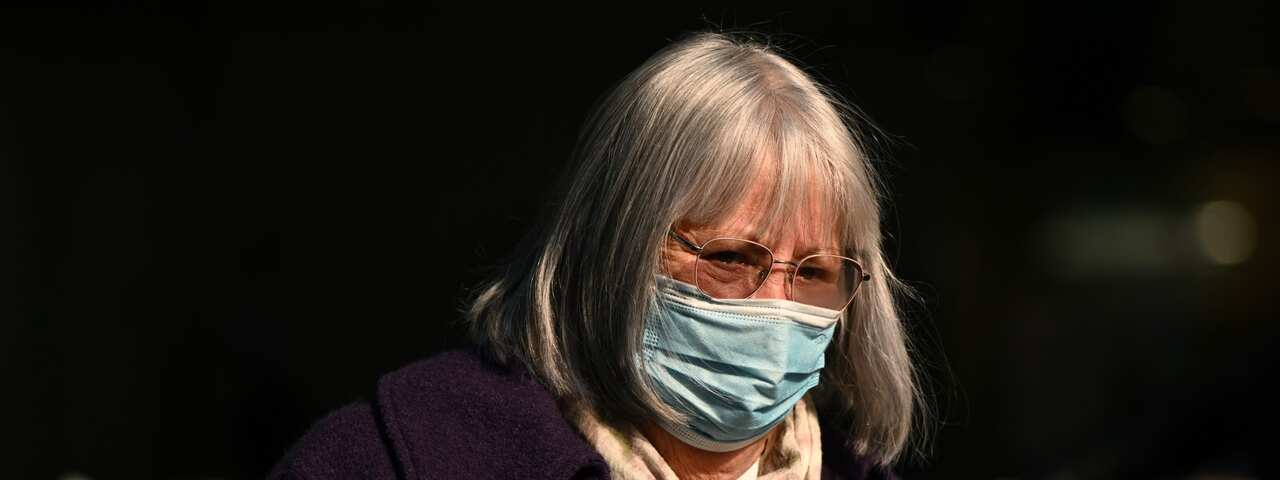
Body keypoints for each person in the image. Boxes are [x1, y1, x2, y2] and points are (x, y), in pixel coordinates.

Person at [268, 31, 927, 479]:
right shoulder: (397, 459)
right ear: (615, 248)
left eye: (813, 271)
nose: (777, 311)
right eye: (729, 257)